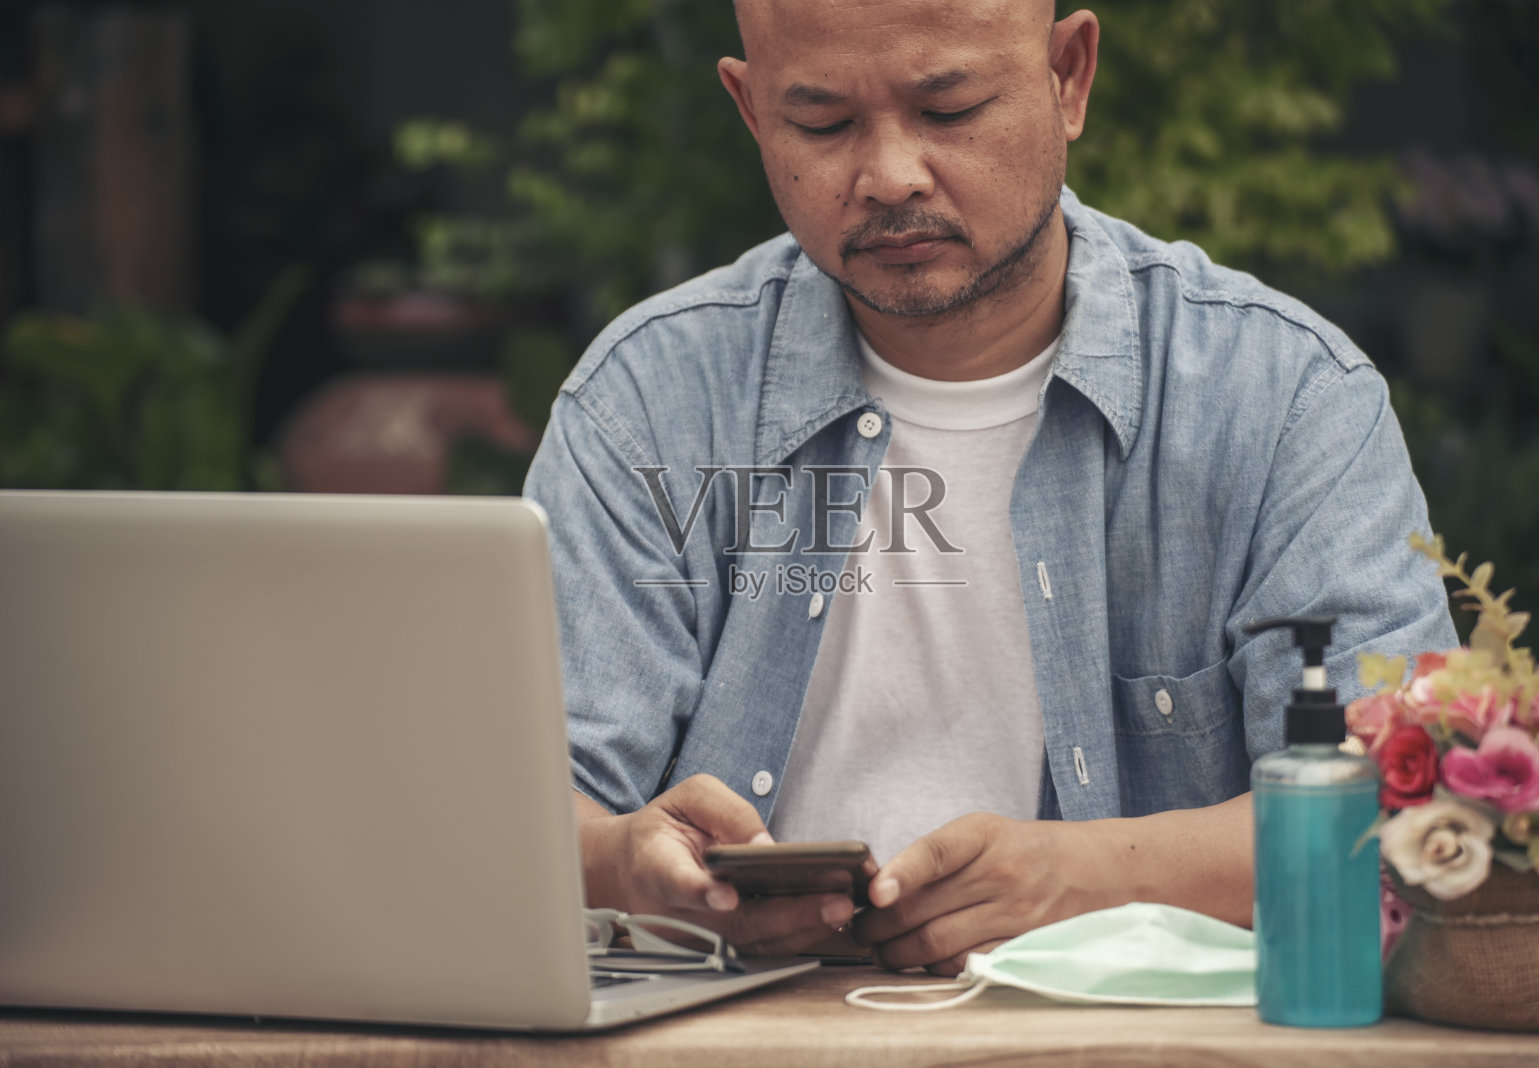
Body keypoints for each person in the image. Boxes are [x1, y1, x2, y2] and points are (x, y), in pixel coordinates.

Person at [524, 0, 1457, 975]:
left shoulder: (1278, 397)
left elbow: (1411, 815)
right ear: (751, 110)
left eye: (950, 107)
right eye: (822, 124)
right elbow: (524, 806)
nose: (889, 175)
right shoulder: (649, 400)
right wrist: (625, 867)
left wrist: (1091, 879)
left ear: (1069, 77)